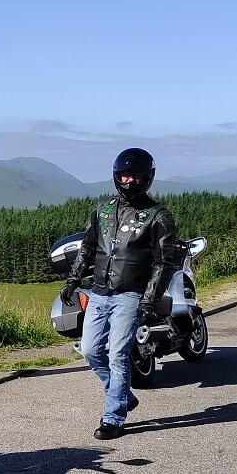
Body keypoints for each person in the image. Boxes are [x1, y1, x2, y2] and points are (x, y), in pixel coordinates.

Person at [62, 148, 179, 440]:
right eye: (126, 174)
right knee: (90, 350)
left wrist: (150, 299)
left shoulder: (158, 216)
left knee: (118, 354)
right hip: (99, 292)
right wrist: (73, 280)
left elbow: (163, 263)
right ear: (117, 176)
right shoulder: (102, 211)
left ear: (147, 177)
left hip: (130, 294)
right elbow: (87, 247)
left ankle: (113, 417)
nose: (130, 180)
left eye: (137, 175)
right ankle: (123, 394)